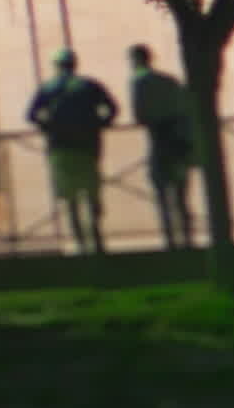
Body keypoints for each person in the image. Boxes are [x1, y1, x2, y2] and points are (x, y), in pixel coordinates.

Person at [28, 49, 121, 255]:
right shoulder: (89, 86)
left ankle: (79, 242)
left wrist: (48, 127)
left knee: (70, 197)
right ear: (74, 64)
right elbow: (112, 108)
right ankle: (96, 238)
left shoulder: (48, 88)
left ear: (57, 66)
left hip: (60, 148)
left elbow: (31, 114)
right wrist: (100, 124)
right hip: (88, 147)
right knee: (91, 193)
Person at [128, 44, 198, 250]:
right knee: (181, 196)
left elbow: (140, 116)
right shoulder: (170, 81)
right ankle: (187, 239)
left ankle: (170, 241)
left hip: (160, 142)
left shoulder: (139, 82)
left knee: (162, 195)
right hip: (179, 144)